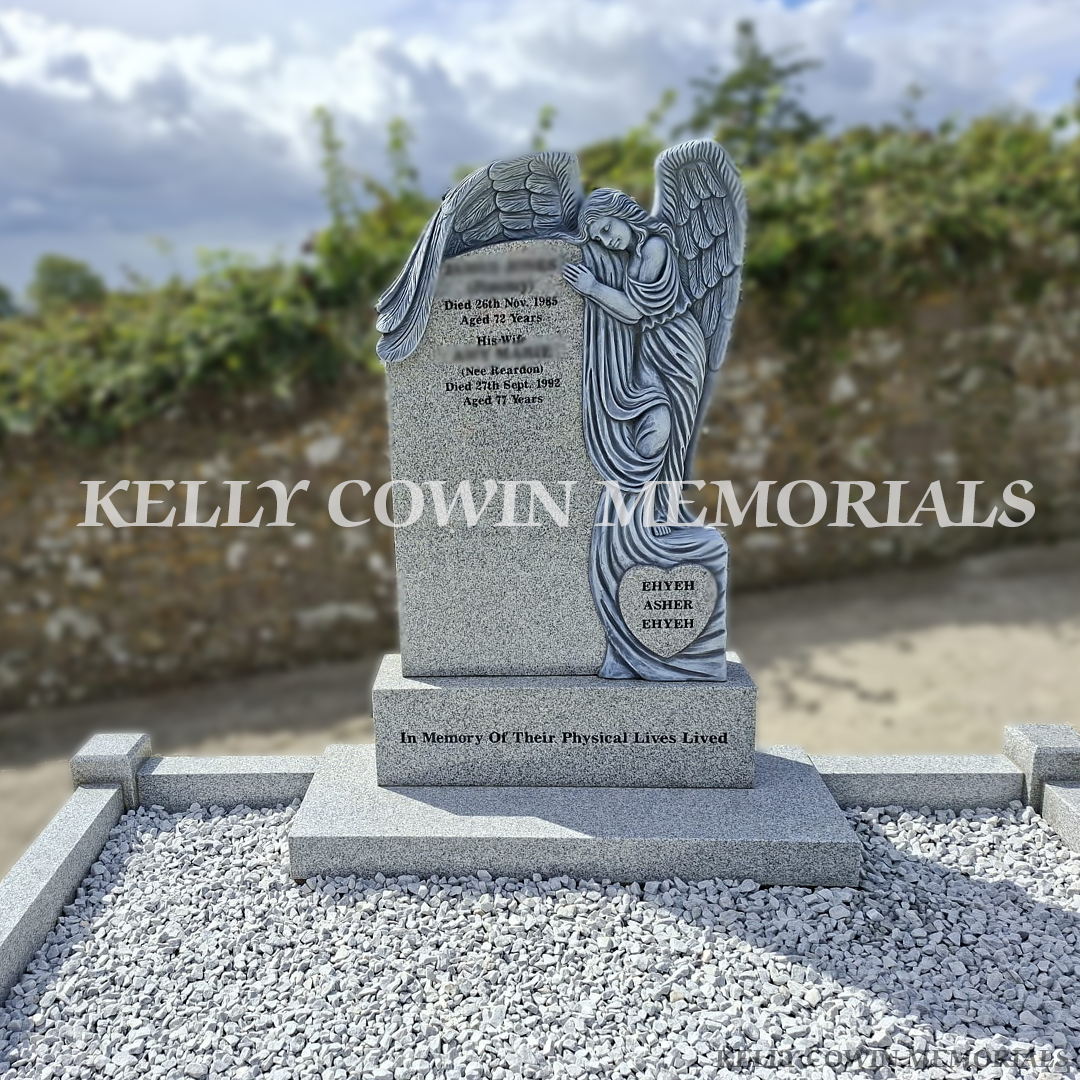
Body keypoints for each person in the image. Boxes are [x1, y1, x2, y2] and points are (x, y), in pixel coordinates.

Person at [562, 189, 728, 681]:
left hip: (673, 348)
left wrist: (592, 287)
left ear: (622, 214)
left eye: (606, 229)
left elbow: (635, 312)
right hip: (651, 352)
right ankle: (650, 522)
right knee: (654, 443)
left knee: (662, 439)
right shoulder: (635, 249)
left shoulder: (655, 245)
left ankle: (657, 521)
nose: (606, 241)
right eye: (596, 238)